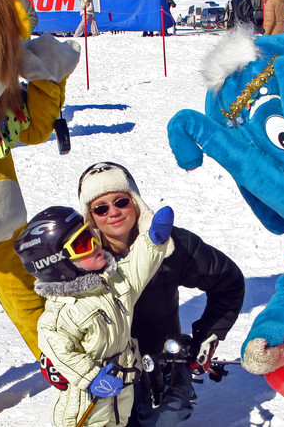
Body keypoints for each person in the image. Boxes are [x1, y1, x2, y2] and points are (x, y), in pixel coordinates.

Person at [63, 162, 245, 427]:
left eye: (121, 201)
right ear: (90, 216)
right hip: (104, 375)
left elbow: (227, 281)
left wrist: (208, 336)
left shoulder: (173, 246)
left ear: (135, 200)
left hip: (160, 366)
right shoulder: (76, 260)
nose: (113, 212)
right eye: (101, 208)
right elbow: (55, 317)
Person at [15, 204, 174, 427]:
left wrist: (153, 241)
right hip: (84, 402)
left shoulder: (111, 284)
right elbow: (59, 353)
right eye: (82, 244)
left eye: (90, 234)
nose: (95, 244)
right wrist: (91, 377)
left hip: (119, 390)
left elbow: (136, 267)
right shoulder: (64, 311)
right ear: (57, 263)